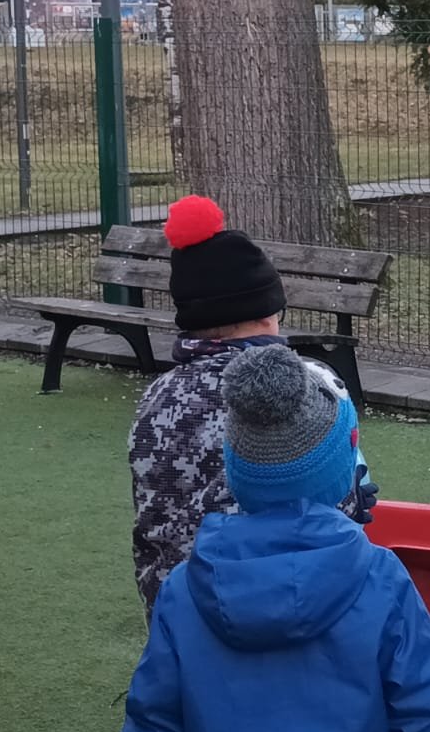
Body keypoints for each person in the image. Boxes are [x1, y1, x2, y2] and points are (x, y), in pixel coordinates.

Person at [110, 346, 430, 732]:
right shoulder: (382, 578)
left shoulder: (182, 591)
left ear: (237, 470)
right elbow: (420, 703)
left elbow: (155, 724)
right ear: (343, 470)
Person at [128, 195, 374, 618]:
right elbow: (344, 498)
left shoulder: (156, 395)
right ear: (265, 314)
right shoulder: (312, 383)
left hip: (177, 605)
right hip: (289, 599)